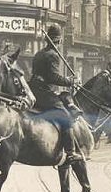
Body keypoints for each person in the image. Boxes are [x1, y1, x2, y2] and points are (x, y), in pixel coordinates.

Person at [28, 23, 83, 164]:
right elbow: (54, 77)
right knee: (65, 116)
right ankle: (70, 152)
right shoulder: (53, 55)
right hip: (44, 92)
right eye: (59, 41)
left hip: (33, 89)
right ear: (58, 41)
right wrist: (71, 81)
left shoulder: (39, 53)